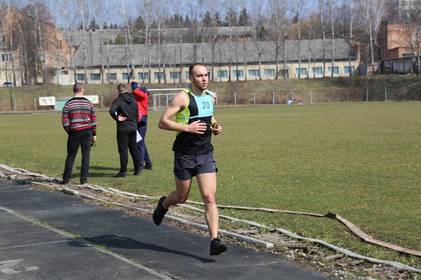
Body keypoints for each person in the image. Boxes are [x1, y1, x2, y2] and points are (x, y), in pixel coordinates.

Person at [153, 63, 227, 256]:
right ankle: (164, 204)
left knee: (209, 197)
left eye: (206, 75)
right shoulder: (182, 97)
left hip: (205, 153)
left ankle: (214, 240)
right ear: (191, 78)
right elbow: (162, 122)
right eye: (199, 75)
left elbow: (209, 118)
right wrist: (187, 128)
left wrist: (216, 126)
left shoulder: (212, 97)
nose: (204, 78)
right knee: (182, 197)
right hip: (184, 154)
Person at [62, 83, 97, 185]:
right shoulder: (90, 104)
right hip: (87, 131)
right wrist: (94, 134)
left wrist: (70, 131)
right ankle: (83, 179)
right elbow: (94, 120)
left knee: (71, 156)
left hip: (74, 132)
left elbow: (65, 121)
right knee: (86, 155)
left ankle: (66, 179)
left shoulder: (68, 104)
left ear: (74, 90)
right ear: (82, 90)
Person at [109, 83, 141, 177]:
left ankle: (123, 171)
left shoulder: (118, 100)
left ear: (119, 91)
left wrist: (117, 118)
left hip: (123, 128)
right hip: (133, 127)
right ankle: (137, 169)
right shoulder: (133, 99)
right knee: (134, 149)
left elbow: (111, 110)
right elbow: (137, 112)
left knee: (123, 150)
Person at [131, 81, 153, 172]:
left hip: (141, 119)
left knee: (139, 142)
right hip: (140, 118)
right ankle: (148, 163)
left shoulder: (141, 93)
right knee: (140, 142)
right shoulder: (141, 93)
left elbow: (136, 91)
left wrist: (134, 85)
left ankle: (140, 166)